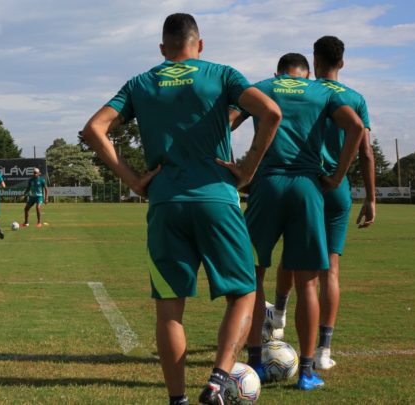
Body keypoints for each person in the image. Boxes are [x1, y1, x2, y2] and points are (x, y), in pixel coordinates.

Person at [81, 13, 282, 405]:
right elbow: (270, 113)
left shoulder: (141, 83)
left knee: (169, 309)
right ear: (199, 45)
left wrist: (133, 178)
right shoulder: (221, 74)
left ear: (162, 49)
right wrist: (246, 171)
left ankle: (178, 400)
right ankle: (219, 381)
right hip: (217, 201)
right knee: (243, 293)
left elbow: (94, 129)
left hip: (165, 203)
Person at [229, 53, 366, 390]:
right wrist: (336, 176)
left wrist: (234, 169)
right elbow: (357, 128)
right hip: (307, 188)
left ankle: (257, 362)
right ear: (307, 74)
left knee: (253, 275)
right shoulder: (321, 92)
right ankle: (306, 371)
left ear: (277, 72)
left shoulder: (262, 87)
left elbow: (225, 120)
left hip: (267, 185)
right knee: (307, 283)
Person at [265, 36, 375, 371]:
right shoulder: (354, 98)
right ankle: (324, 352)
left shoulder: (306, 92)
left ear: (314, 61)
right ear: (342, 62)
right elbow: (366, 151)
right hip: (338, 187)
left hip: (306, 182)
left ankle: (279, 315)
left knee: (292, 255)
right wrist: (370, 197)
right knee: (330, 269)